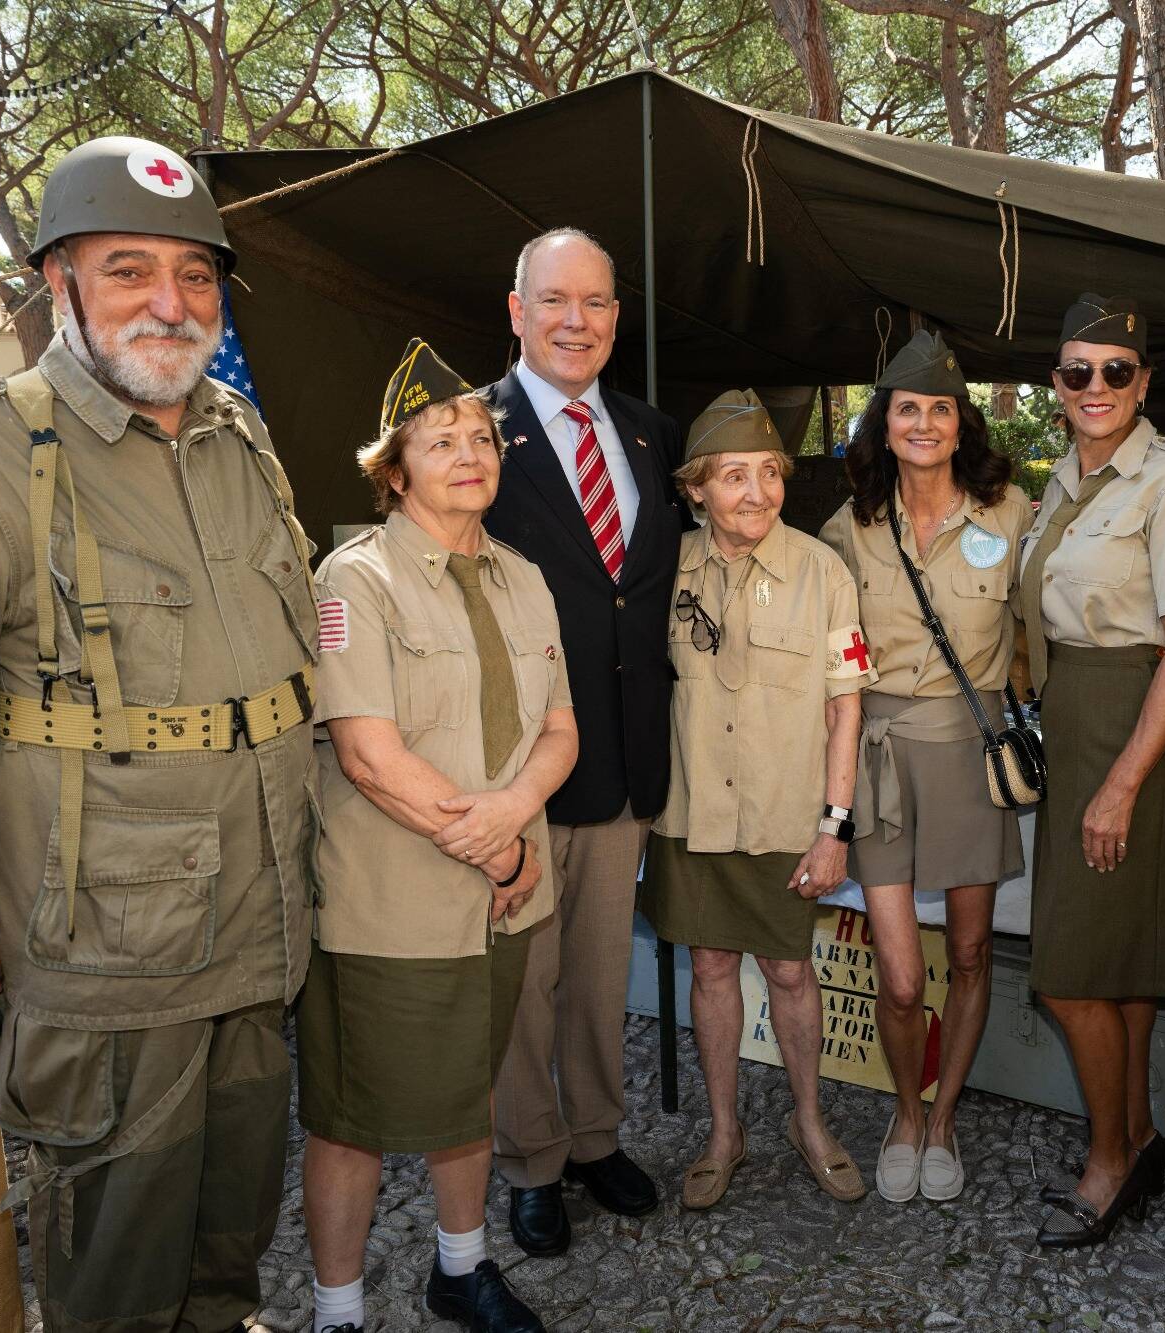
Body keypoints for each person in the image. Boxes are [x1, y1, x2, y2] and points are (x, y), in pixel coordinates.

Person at [0, 135, 321, 1332]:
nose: (171, 302)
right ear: (58, 281)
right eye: (128, 270)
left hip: (257, 916)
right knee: (117, 1238)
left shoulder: (236, 435)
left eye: (195, 275)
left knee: (233, 1220)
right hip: (102, 935)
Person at [300, 341, 579, 1333]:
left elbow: (559, 731)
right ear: (395, 468)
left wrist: (512, 828)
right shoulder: (353, 580)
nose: (470, 453)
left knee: (470, 1088)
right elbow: (369, 757)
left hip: (505, 890)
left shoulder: (522, 576)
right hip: (396, 902)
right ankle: (336, 1311)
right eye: (439, 440)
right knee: (354, 1115)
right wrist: (500, 843)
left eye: (481, 437)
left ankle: (459, 1268)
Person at [482, 227, 685, 1255]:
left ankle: (598, 1136)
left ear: (616, 315)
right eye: (554, 300)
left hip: (627, 756)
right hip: (517, 761)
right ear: (515, 310)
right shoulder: (469, 430)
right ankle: (530, 1157)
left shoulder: (649, 433)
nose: (576, 320)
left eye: (596, 302)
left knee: (602, 971)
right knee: (523, 980)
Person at [1013, 294, 1165, 1247]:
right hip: (1074, 720)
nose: (1094, 388)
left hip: (1135, 726)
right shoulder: (1061, 480)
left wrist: (1124, 782)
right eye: (1075, 372)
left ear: (1145, 381)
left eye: (1116, 371)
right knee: (1121, 961)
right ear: (1055, 385)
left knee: (1068, 972)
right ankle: (1134, 1133)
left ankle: (1108, 1162)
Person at [639, 389, 874, 1209]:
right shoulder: (664, 567)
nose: (756, 492)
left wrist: (833, 827)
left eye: (768, 473)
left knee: (787, 967)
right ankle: (724, 1131)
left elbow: (846, 709)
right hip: (693, 811)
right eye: (733, 475)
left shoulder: (822, 571)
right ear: (696, 486)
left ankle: (810, 1122)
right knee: (709, 967)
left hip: (783, 814)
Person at [818, 329, 1032, 1204]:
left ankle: (945, 1117)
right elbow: (831, 665)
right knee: (902, 976)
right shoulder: (848, 528)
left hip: (970, 751)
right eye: (908, 408)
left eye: (941, 408)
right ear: (885, 422)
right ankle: (905, 1111)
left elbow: (1039, 631)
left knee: (974, 950)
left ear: (961, 421)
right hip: (879, 758)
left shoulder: (1012, 511)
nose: (924, 423)